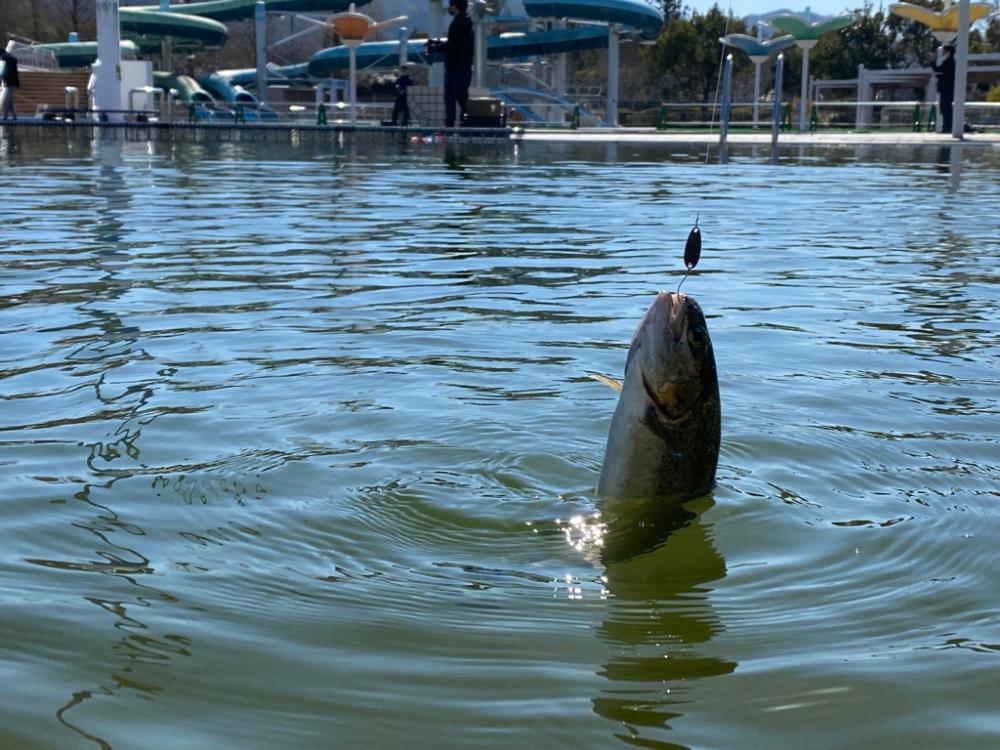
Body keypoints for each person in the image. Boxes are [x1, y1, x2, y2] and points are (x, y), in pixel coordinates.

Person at [427, 0, 474, 127]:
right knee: (463, 98)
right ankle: (466, 124)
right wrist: (440, 44)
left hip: (454, 68)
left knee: (450, 98)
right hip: (467, 68)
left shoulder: (456, 24)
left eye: (451, 5)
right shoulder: (470, 22)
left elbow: (453, 46)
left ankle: (449, 126)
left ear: (455, 6)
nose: (449, 8)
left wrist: (436, 47)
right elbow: (460, 44)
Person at [931, 44, 956, 133]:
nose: (943, 53)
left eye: (944, 51)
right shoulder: (949, 61)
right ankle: (946, 126)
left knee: (945, 109)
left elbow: (939, 70)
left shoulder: (949, 62)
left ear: (949, 52)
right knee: (944, 108)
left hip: (947, 89)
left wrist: (933, 62)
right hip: (946, 89)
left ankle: (947, 127)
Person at [0, 49, 20, 121]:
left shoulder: (11, 61)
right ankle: (14, 117)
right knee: (10, 101)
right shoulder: (7, 62)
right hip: (9, 84)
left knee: (5, 101)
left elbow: (12, 60)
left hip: (11, 84)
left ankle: (5, 116)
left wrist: (6, 55)